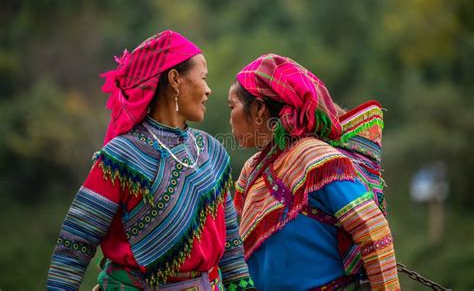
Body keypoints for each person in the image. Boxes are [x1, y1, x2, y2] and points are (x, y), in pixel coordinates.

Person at [47, 30, 254, 290]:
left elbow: (232, 247)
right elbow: (75, 242)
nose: (209, 90)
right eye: (203, 78)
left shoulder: (212, 151)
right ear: (175, 79)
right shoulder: (120, 157)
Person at [228, 53, 400, 290]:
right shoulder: (252, 169)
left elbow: (372, 229)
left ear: (258, 108)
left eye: (232, 106)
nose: (230, 117)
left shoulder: (315, 158)